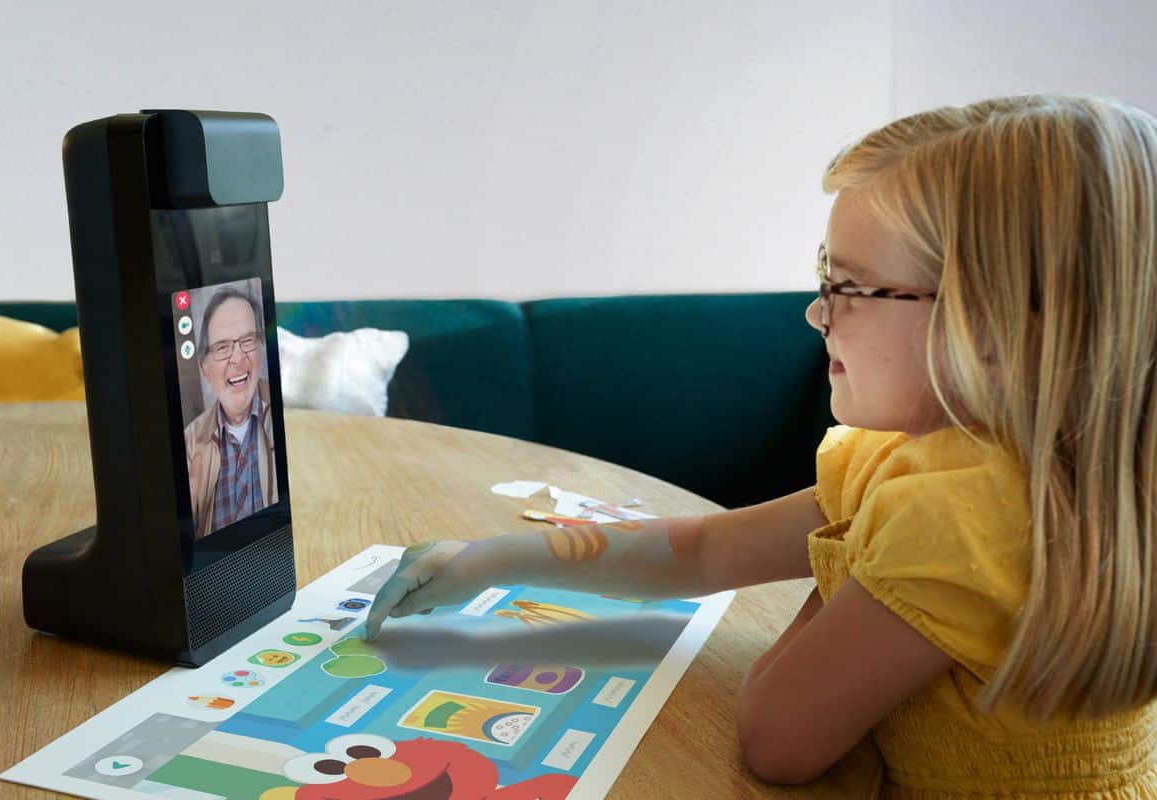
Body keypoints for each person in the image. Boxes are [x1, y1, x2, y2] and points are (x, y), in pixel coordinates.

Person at [363, 94, 1157, 795]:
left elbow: (776, 739)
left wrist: (842, 573)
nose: (818, 315)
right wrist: (490, 560)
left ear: (994, 326)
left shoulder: (961, 515)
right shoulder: (935, 460)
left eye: (848, 287)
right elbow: (704, 550)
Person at [184, 288, 278, 540]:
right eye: (222, 347)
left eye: (247, 341)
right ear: (204, 368)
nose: (238, 358)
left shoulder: (283, 417)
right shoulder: (188, 443)